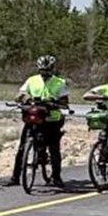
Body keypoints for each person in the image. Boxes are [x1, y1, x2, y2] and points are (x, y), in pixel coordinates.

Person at [10, 55, 70, 187]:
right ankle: (15, 177)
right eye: (42, 70)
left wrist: (54, 101)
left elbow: (65, 100)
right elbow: (19, 94)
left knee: (54, 148)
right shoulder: (32, 80)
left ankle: (57, 177)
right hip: (34, 118)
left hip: (51, 119)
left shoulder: (60, 82)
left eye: (48, 70)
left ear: (52, 69)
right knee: (22, 147)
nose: (45, 73)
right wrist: (25, 98)